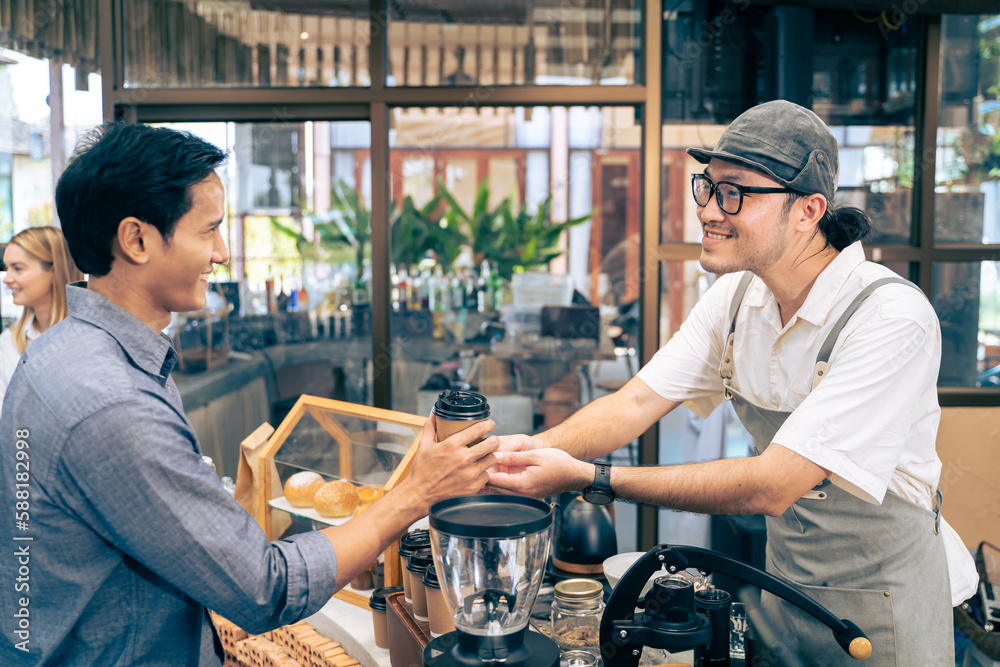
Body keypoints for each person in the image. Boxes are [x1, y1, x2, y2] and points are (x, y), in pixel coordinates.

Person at [487, 100, 977, 665]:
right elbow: (637, 401)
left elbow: (772, 485)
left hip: (887, 611)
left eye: (735, 192)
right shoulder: (736, 300)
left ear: (808, 211)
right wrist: (524, 452)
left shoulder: (890, 318)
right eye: (708, 187)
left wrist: (593, 478)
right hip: (788, 594)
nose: (709, 210)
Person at [0, 122, 499, 666]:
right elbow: (263, 589)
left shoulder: (59, 352)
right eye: (208, 229)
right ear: (136, 239)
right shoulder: (112, 402)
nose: (221, 252)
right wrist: (416, 494)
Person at [0, 226, 83, 401]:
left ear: (54, 270)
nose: (7, 278)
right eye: (7, 267)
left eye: (18, 268)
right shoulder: (9, 342)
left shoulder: (90, 339)